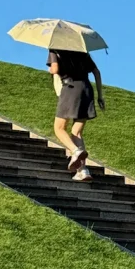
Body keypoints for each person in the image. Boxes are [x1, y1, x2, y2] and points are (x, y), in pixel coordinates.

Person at [47, 47, 106, 180]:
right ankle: (83, 170)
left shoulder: (55, 49)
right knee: (77, 132)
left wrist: (50, 69)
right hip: (86, 90)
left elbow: (55, 70)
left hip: (70, 90)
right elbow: (96, 72)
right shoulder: (82, 49)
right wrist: (100, 96)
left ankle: (75, 151)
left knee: (59, 128)